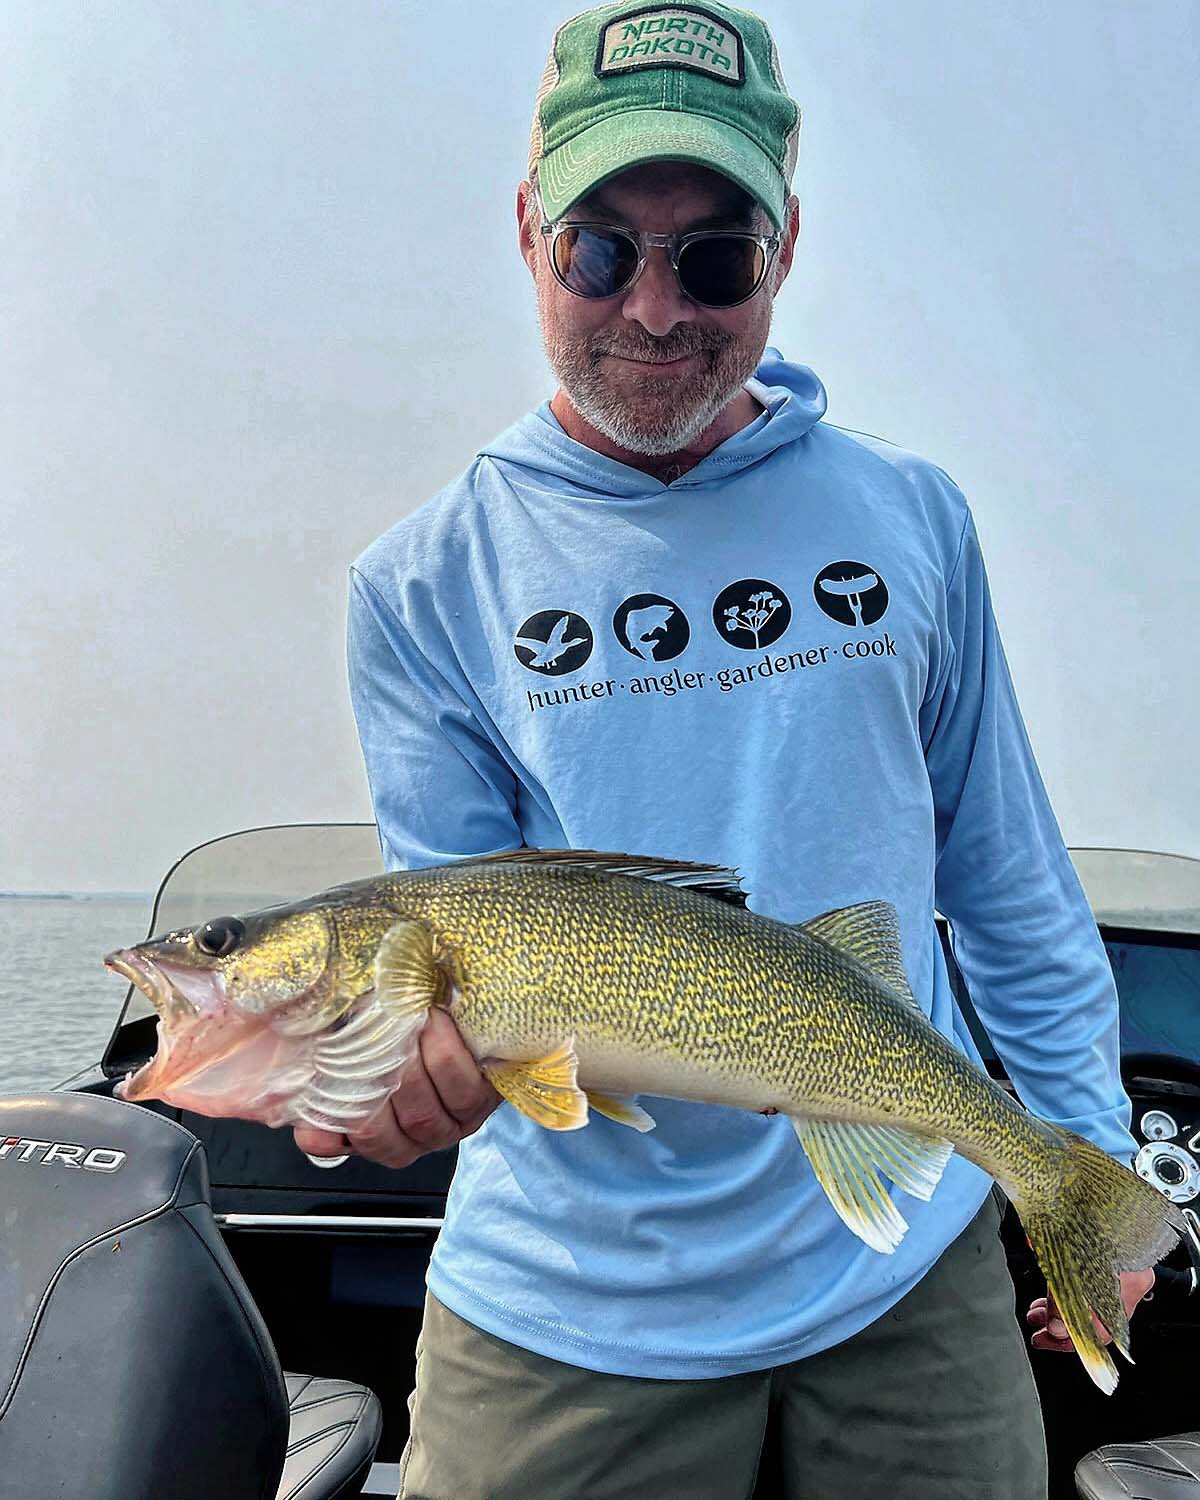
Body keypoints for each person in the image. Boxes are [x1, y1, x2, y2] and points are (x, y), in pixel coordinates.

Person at [294, 4, 1154, 1495]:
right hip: (566, 1302)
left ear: (787, 250)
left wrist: (1086, 1164)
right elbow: (467, 948)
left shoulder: (911, 519)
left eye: (713, 256)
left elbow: (1007, 883)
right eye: (602, 249)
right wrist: (397, 1077)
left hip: (905, 1269)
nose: (653, 310)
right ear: (528, 231)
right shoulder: (423, 584)